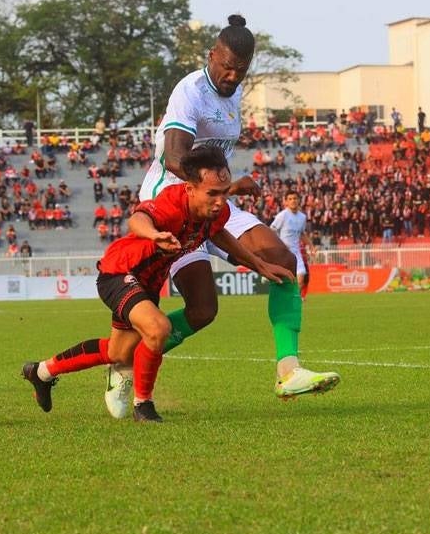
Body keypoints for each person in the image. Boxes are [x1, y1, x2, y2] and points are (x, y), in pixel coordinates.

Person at [100, 14, 340, 418]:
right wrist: (226, 187)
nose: (232, 76)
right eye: (226, 66)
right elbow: (176, 158)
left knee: (282, 260)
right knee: (202, 309)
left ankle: (288, 370)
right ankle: (124, 363)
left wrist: (223, 194)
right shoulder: (190, 91)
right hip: (173, 207)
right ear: (211, 55)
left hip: (214, 204)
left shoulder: (234, 91)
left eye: (240, 70)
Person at [21, 147, 291, 422]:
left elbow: (219, 234)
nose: (221, 201)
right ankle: (144, 405)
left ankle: (41, 372)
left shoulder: (213, 210)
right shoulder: (172, 202)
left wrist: (260, 265)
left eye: (224, 191)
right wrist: (155, 234)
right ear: (189, 189)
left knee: (118, 352)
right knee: (158, 328)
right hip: (120, 272)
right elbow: (138, 218)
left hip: (147, 284)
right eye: (213, 193)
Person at [270, 191, 310, 298]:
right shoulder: (282, 215)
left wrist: (312, 246)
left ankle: (292, 299)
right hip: (283, 253)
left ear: (299, 200)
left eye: (295, 198)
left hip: (296, 253)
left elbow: (302, 233)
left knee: (301, 279)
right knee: (283, 281)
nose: (293, 201)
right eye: (290, 199)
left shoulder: (302, 217)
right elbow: (271, 230)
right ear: (286, 202)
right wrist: (280, 244)